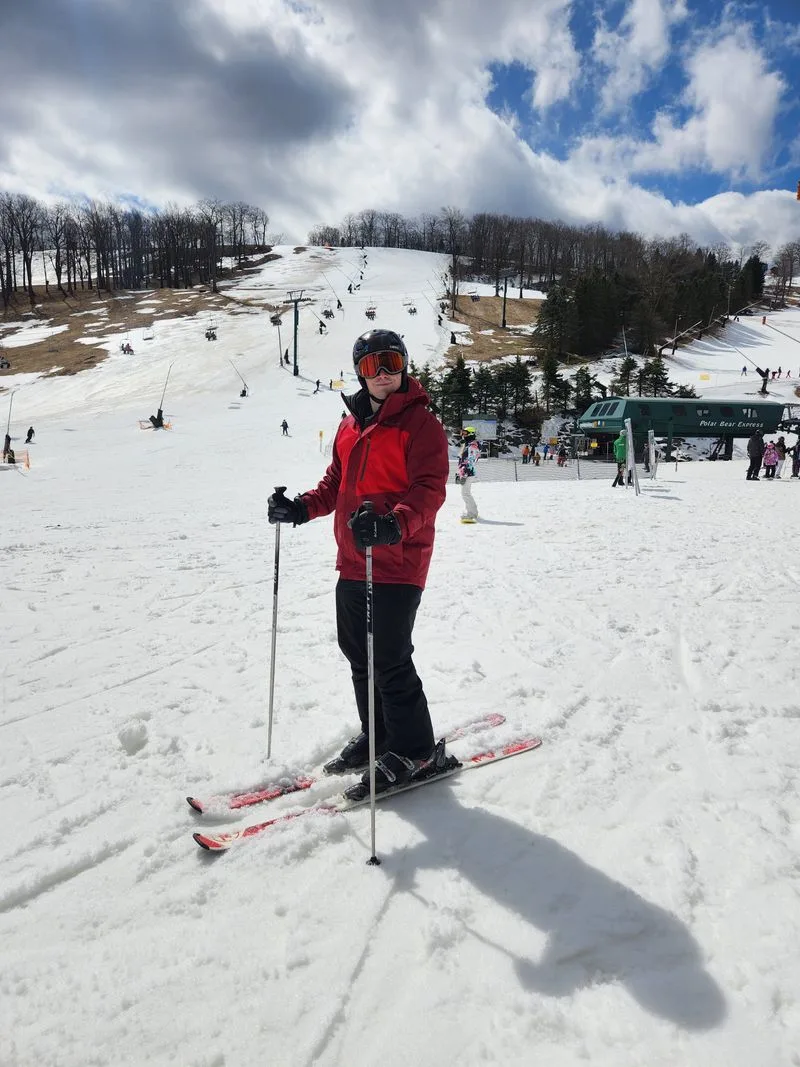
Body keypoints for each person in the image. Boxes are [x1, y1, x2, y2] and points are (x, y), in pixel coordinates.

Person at [267, 329, 449, 797]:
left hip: (399, 559)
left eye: (391, 362)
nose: (383, 373)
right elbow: (336, 483)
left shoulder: (421, 424)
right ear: (359, 372)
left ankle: (415, 750)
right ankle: (382, 733)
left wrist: (394, 524)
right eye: (372, 365)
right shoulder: (350, 425)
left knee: (389, 657)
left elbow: (429, 490)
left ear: (405, 365)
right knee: (360, 657)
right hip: (353, 560)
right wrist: (302, 507)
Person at [457, 428, 480, 521]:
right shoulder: (467, 444)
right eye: (463, 433)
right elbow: (462, 459)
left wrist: (465, 474)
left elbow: (470, 461)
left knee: (465, 493)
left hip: (468, 473)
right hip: (466, 472)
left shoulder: (472, 446)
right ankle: (470, 510)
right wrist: (460, 473)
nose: (463, 435)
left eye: (465, 433)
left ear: (471, 434)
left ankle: (472, 513)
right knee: (465, 493)